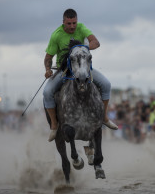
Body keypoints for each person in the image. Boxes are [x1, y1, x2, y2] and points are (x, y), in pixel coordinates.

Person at [43, 9, 118, 142]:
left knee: (106, 84)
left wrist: (82, 48)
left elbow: (96, 42)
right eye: (69, 23)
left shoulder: (82, 28)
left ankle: (104, 118)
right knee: (47, 92)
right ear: (63, 22)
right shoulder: (56, 35)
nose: (72, 26)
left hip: (84, 67)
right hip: (64, 69)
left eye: (74, 23)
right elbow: (48, 57)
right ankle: (54, 125)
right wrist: (48, 69)